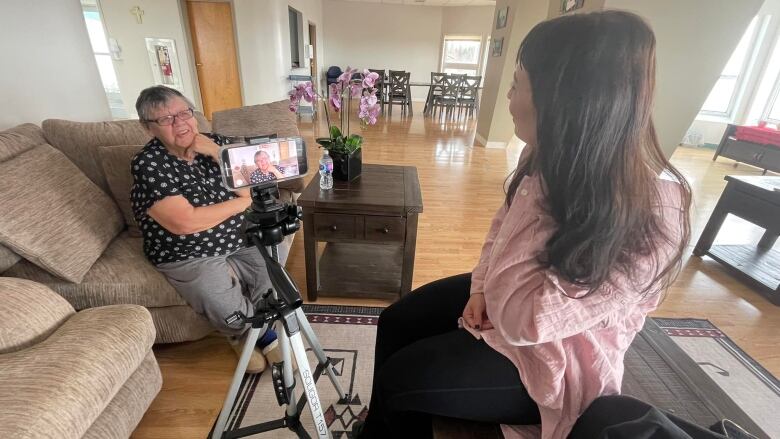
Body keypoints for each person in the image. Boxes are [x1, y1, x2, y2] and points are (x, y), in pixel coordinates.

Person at [355, 11, 692, 439]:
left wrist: (539, 195)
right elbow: (501, 232)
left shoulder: (655, 217)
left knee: (398, 379)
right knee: (397, 320)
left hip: (553, 361)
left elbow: (526, 322)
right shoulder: (543, 159)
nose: (507, 99)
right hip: (507, 298)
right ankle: (382, 422)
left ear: (564, 102)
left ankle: (387, 419)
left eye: (517, 86)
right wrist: (479, 287)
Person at [130, 85, 280, 373]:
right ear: (148, 129)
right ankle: (255, 335)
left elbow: (255, 186)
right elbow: (185, 222)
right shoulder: (148, 165)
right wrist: (243, 202)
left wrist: (218, 153)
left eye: (184, 113)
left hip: (242, 237)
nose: (180, 123)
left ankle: (251, 333)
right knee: (223, 305)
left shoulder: (216, 143)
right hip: (189, 251)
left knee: (276, 277)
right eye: (166, 119)